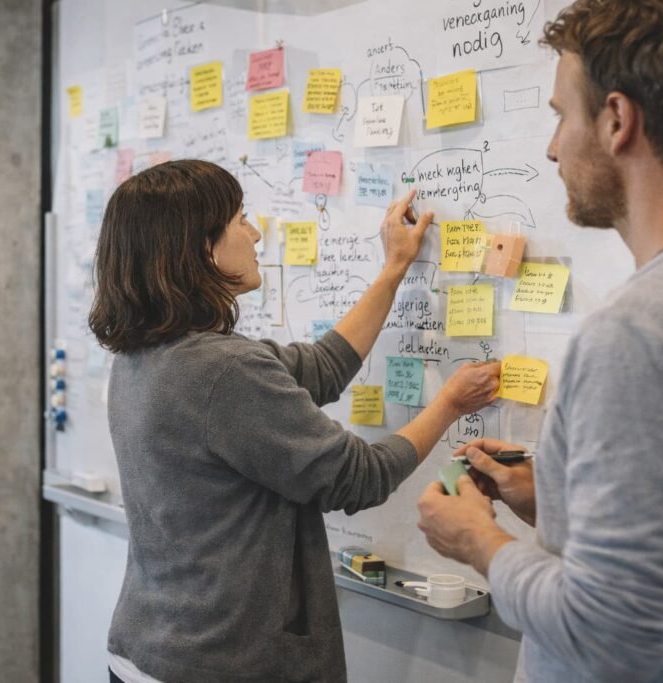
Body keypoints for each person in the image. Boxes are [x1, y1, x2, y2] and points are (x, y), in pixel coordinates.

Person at [89, 159, 502, 683]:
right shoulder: (223, 370)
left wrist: (394, 268)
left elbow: (323, 367)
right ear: (201, 247)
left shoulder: (146, 355)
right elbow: (360, 477)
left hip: (150, 649)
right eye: (240, 220)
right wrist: (449, 404)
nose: (256, 233)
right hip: (221, 663)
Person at [416, 1, 663, 681]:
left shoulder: (636, 331)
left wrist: (479, 542)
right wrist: (557, 502)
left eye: (561, 115)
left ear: (618, 120)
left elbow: (616, 633)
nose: (551, 147)